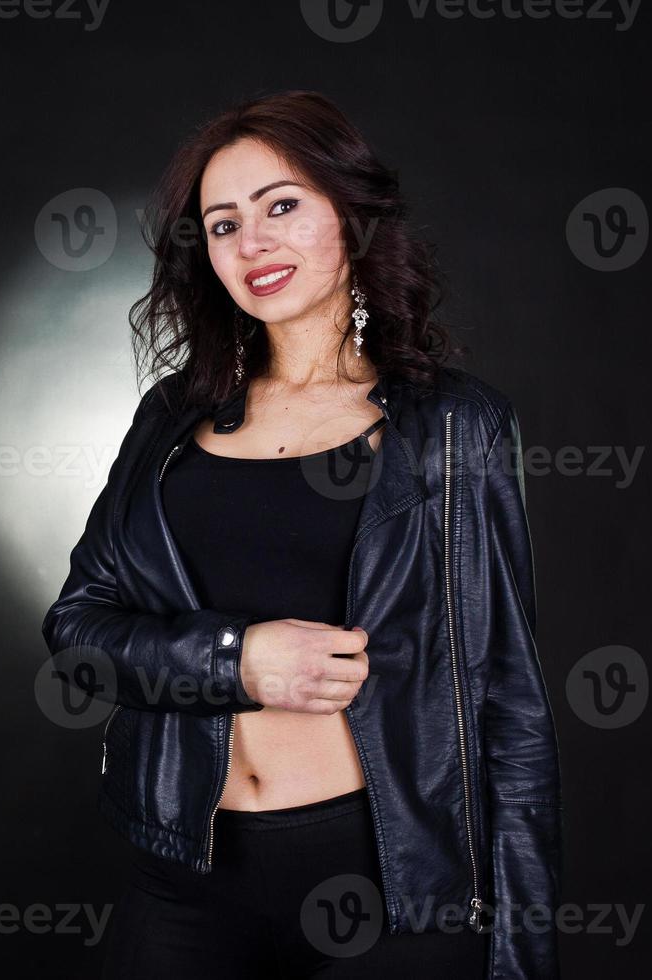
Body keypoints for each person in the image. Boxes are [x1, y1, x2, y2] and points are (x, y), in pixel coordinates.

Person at [41, 90, 562, 978]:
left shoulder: (451, 425)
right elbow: (78, 630)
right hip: (185, 878)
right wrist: (238, 660)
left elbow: (509, 703)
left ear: (350, 217)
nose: (252, 244)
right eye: (221, 224)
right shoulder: (171, 420)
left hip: (388, 883)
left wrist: (520, 957)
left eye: (281, 205)